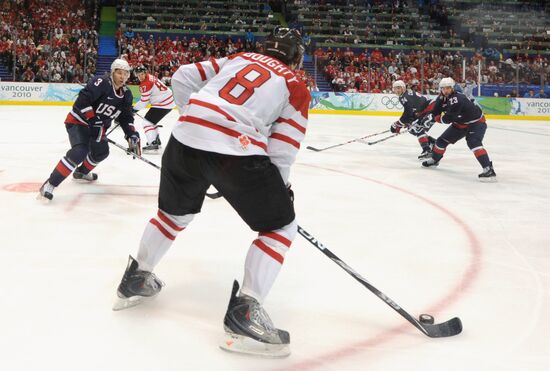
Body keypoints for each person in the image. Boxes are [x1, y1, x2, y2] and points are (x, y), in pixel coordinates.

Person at [113, 27, 310, 358]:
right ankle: (244, 315)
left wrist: (196, 118)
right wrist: (282, 188)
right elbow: (283, 148)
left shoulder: (237, 58)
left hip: (183, 141)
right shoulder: (295, 83)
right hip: (237, 151)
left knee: (173, 215)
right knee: (280, 227)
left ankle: (136, 279)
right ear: (295, 58)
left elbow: (182, 77)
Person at [37, 59, 140, 201]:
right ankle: (50, 184)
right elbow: (82, 101)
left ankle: (81, 172)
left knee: (102, 152)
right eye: (119, 73)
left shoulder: (127, 94)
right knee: (80, 151)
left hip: (97, 128)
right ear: (112, 72)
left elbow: (126, 117)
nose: (123, 77)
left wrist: (132, 134)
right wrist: (93, 119)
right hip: (78, 121)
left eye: (126, 74)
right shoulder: (102, 82)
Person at [418, 77, 496, 181]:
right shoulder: (442, 97)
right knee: (441, 141)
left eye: (448, 88)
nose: (445, 91)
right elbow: (436, 110)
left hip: (476, 123)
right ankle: (435, 160)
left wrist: (435, 118)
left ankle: (488, 169)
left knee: (473, 142)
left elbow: (448, 118)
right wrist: (427, 118)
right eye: (443, 88)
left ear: (453, 88)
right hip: (460, 124)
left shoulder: (457, 98)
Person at [389, 80, 436, 160]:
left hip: (432, 108)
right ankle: (432, 142)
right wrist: (407, 122)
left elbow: (408, 112)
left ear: (403, 88)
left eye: (398, 88)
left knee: (417, 128)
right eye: (395, 89)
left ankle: (427, 150)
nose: (397, 90)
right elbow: (413, 111)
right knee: (412, 129)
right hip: (426, 110)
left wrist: (398, 124)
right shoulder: (405, 95)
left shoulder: (404, 96)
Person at [133, 66, 175, 153]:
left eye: (142, 74)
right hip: (167, 101)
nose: (140, 77)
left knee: (146, 122)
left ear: (145, 73)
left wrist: (133, 109)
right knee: (151, 122)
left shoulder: (146, 84)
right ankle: (156, 141)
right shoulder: (149, 77)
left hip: (163, 103)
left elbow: (144, 102)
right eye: (138, 75)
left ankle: (153, 144)